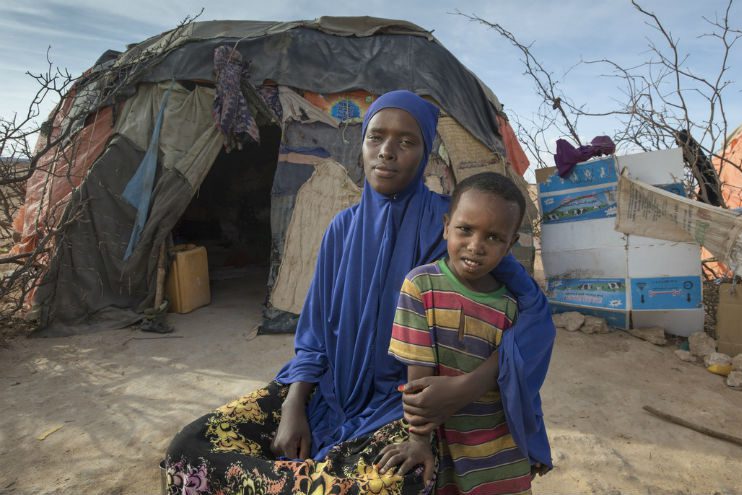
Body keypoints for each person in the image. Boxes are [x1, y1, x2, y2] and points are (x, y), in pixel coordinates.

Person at [164, 90, 554, 495]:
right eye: (376, 137)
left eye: (406, 141)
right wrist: (293, 406)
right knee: (188, 449)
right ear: (363, 144)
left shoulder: (455, 228)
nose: (387, 152)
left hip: (405, 406)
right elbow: (314, 335)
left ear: (424, 153)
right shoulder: (342, 229)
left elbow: (535, 312)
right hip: (331, 389)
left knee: (395, 482)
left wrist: (467, 387)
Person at [377, 172, 540, 494]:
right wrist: (418, 441)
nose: (476, 246)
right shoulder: (421, 286)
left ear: (510, 244)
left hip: (499, 443)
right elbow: (418, 382)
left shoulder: (512, 307)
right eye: (465, 229)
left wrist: (532, 441)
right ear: (446, 226)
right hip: (445, 437)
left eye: (494, 238)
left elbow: (519, 385)